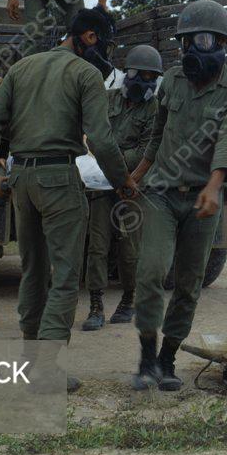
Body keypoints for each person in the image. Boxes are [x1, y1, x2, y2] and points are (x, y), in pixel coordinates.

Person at [0, 6, 136, 392]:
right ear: (90, 37)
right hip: (60, 178)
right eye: (106, 44)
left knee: (33, 272)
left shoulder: (21, 68)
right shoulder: (85, 74)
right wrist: (123, 182)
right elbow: (99, 138)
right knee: (65, 278)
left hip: (22, 178)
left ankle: (31, 364)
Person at [126, 0, 227, 391]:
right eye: (186, 42)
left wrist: (214, 188)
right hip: (161, 194)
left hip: (202, 199)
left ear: (221, 44)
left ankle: (168, 360)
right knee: (150, 273)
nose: (191, 51)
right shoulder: (171, 82)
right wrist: (136, 175)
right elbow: (157, 135)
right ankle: (147, 359)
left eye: (200, 40)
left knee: (188, 283)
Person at [81, 45, 163, 331]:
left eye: (152, 78)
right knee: (97, 246)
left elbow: (145, 152)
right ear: (128, 73)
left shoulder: (154, 109)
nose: (146, 82)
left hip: (132, 185)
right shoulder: (107, 99)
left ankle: (129, 300)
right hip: (101, 184)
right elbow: (90, 137)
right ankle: (95, 305)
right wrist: (111, 157)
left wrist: (110, 157)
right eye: (142, 75)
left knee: (130, 250)